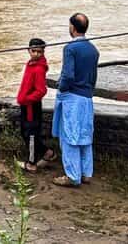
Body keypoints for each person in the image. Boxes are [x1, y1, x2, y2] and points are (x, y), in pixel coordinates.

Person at [53, 13, 100, 187]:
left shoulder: (70, 48)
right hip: (87, 98)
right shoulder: (93, 50)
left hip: (72, 97)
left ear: (72, 27)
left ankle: (72, 175)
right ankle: (86, 173)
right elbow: (93, 76)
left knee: (69, 136)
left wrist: (62, 88)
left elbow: (68, 75)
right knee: (85, 135)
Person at [16, 38, 55, 172]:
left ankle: (31, 163)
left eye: (40, 52)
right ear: (28, 50)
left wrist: (26, 99)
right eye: (34, 51)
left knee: (31, 134)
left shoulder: (38, 68)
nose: (37, 54)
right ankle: (47, 152)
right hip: (26, 104)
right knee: (25, 132)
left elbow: (41, 90)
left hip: (31, 105)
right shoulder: (31, 63)